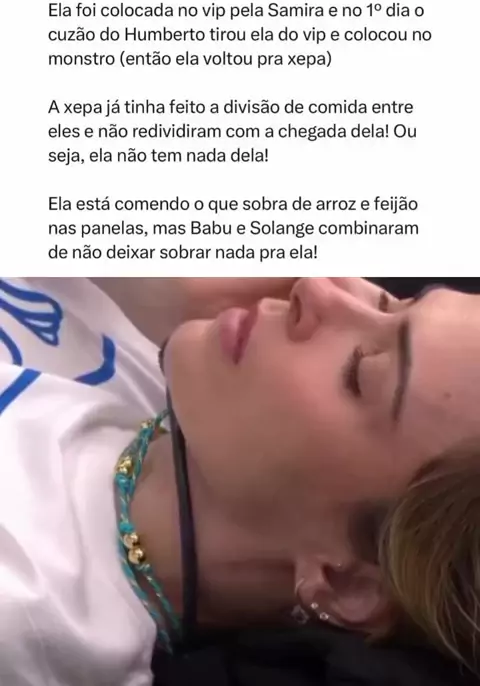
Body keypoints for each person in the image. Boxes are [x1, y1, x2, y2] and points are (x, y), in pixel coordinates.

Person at [0, 277, 480, 685]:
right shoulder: (167, 364)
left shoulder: (30, 607)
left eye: (360, 370)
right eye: (390, 302)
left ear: (347, 583)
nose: (316, 286)